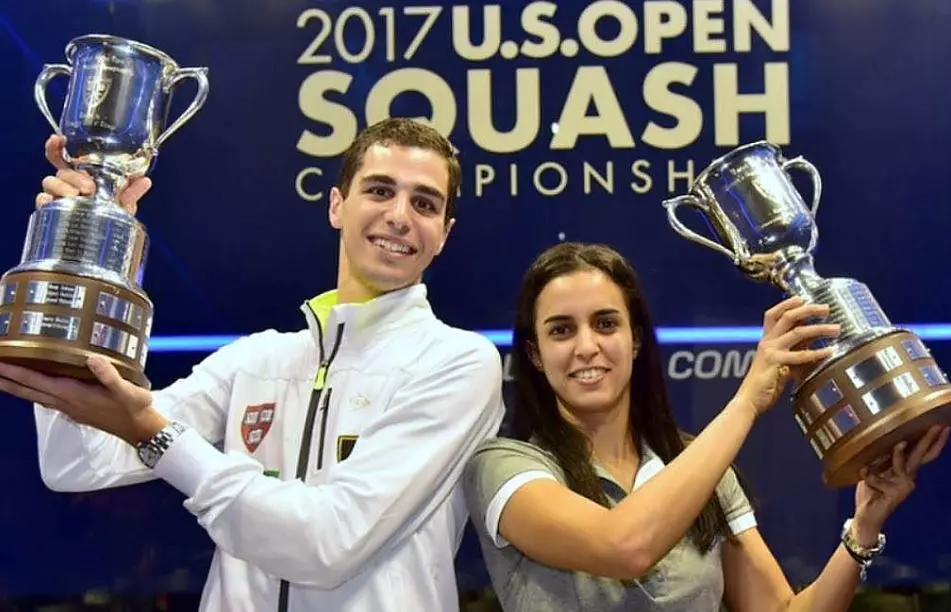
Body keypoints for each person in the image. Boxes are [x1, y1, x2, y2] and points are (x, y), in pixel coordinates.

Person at [0, 118, 506, 611]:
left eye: (424, 203)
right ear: (337, 205)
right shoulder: (259, 359)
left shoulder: (457, 363)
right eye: (379, 191)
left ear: (444, 233)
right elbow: (78, 463)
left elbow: (328, 545)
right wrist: (84, 247)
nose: (399, 216)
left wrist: (156, 434)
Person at [463, 242, 948, 611]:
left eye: (606, 324)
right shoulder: (504, 468)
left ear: (635, 340)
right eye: (561, 330)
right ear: (535, 355)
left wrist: (863, 529)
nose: (586, 347)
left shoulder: (699, 466)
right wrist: (746, 401)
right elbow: (624, 546)